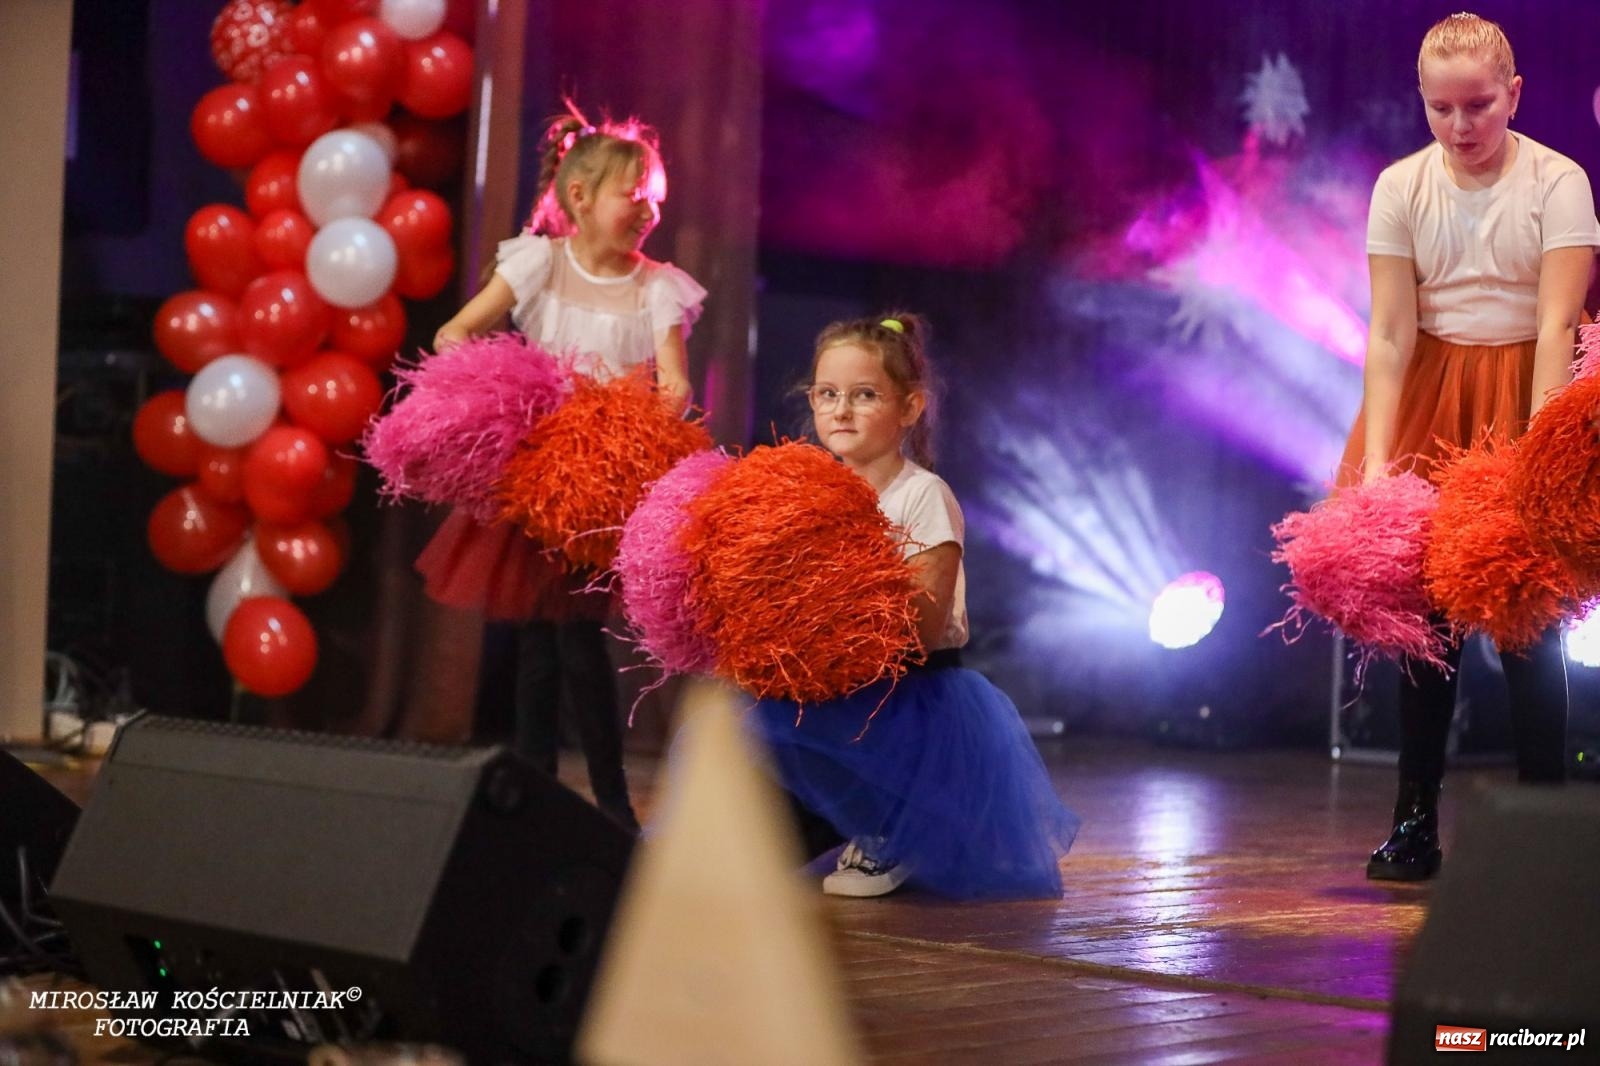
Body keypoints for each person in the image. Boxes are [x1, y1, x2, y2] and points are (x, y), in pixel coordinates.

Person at [1339, 13, 1599, 880]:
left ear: (1513, 95)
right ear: (1422, 101)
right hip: (1430, 403)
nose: (1460, 127)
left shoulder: (1557, 182)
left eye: (1479, 106)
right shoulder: (1400, 185)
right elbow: (1388, 333)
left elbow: (1558, 324)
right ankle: (1414, 822)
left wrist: (1535, 460)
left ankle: (1543, 825)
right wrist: (1380, 462)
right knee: (1428, 626)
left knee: (1529, 625)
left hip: (1531, 394)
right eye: (1442, 109)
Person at [421, 101, 707, 831]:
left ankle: (611, 806)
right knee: (537, 646)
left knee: (579, 646)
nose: (645, 209)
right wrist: (501, 395)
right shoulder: (538, 264)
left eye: (652, 198)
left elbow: (674, 381)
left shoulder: (657, 287)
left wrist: (638, 412)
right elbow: (455, 332)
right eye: (631, 194)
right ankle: (535, 796)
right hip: (536, 485)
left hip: (599, 492)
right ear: (580, 198)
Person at [750, 313, 1081, 899]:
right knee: (753, 732)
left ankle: (888, 827)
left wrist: (835, 617)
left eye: (865, 395)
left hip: (907, 684)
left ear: (909, 408)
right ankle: (833, 820)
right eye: (828, 394)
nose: (841, 410)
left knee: (846, 729)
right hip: (835, 678)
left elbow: (921, 627)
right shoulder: (811, 489)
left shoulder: (921, 495)